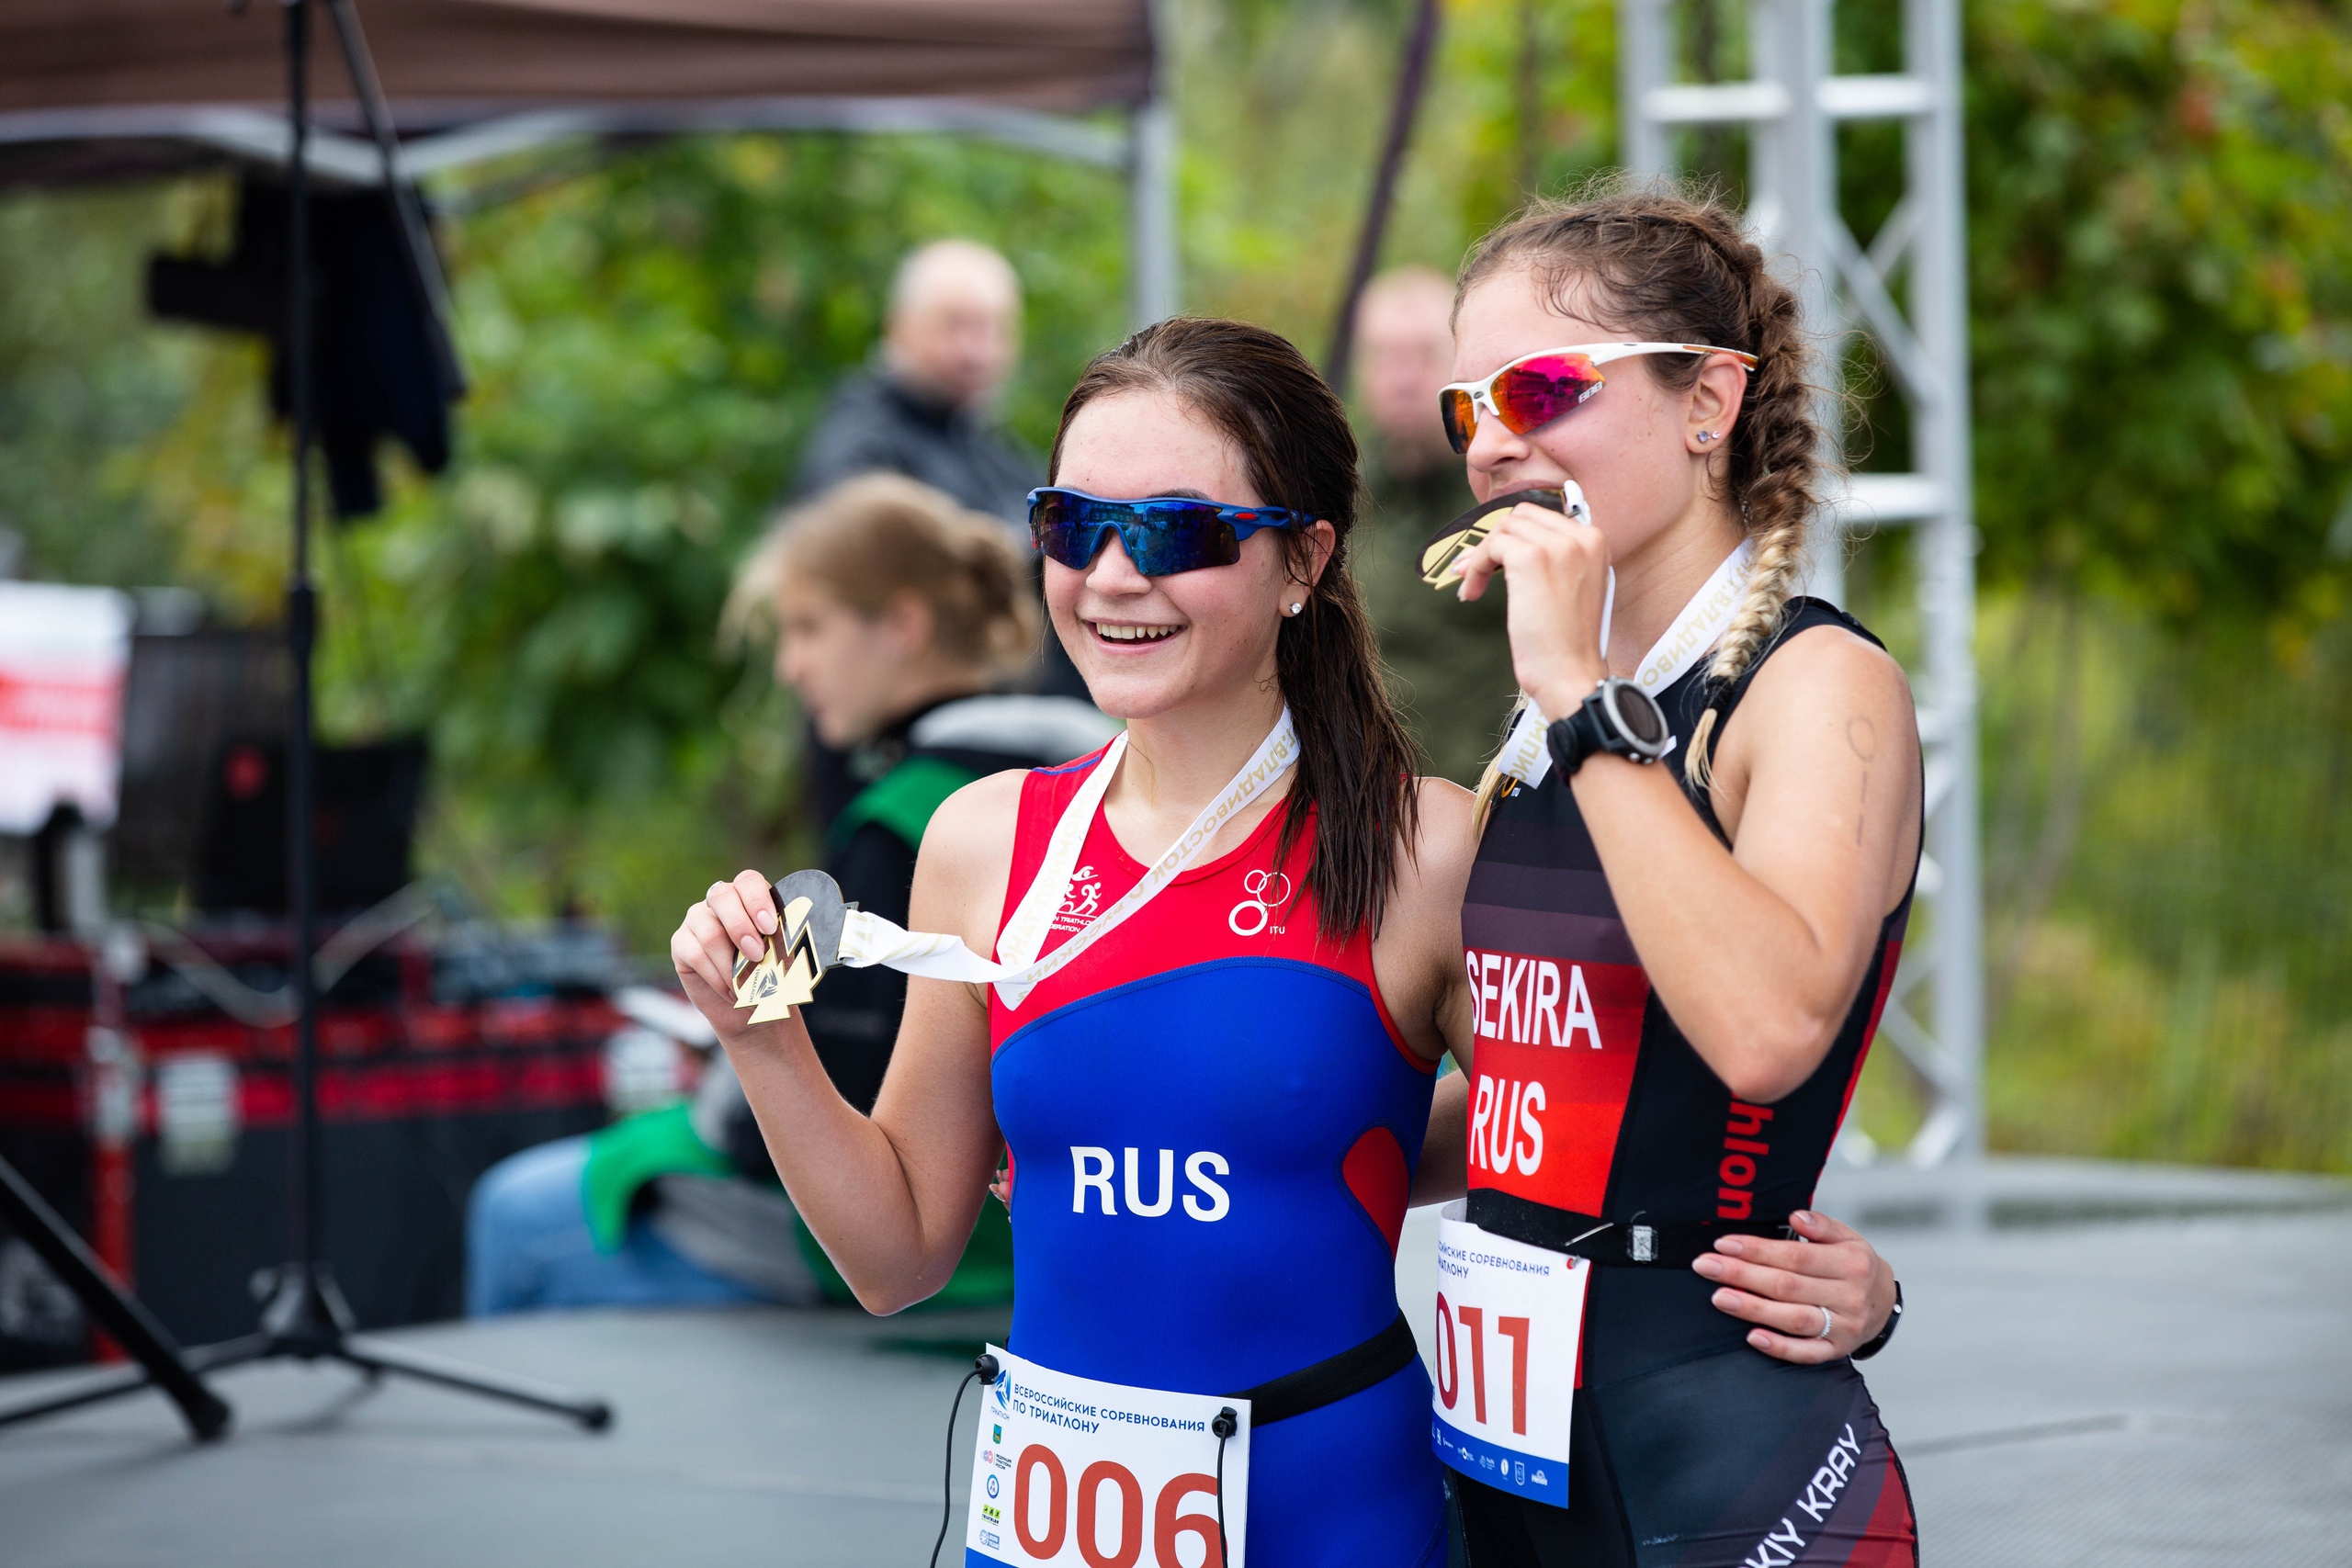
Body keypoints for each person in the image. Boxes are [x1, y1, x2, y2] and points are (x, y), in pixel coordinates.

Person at [673, 317, 1898, 1564]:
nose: (1110, 575)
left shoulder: (1422, 851)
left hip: (1340, 1519)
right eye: (1071, 524)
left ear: (1303, 559)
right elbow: (894, 1256)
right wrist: (758, 1035)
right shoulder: (982, 840)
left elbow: (1616, 1130)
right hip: (1042, 1525)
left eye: (1176, 532)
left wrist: (1850, 1277)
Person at [1429, 185, 1923, 1564]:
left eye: (1541, 388)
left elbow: (1766, 1032)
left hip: (1723, 1451)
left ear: (1708, 400)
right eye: (1469, 408)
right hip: (1508, 1443)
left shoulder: (1817, 685)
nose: (1494, 441)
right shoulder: (1553, 722)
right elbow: (1532, 1098)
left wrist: (1579, 695)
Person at [467, 475, 1110, 1316]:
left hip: (920, 1249)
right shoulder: (1084, 782)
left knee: (515, 1211)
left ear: (903, 626)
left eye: (809, 627)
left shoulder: (901, 822)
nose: (790, 665)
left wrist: (730, 1053)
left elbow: (804, 1100)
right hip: (1055, 1224)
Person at [791, 238, 1087, 823]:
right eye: (955, 326)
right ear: (898, 327)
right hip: (892, 764)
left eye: (994, 329)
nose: (977, 349)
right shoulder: (858, 446)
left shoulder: (992, 449)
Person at [1350, 265, 1519, 784]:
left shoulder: (1511, 491)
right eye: (1385, 357)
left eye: (1424, 355)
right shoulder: (1332, 501)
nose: (1404, 379)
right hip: (1362, 798)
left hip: (1487, 796)